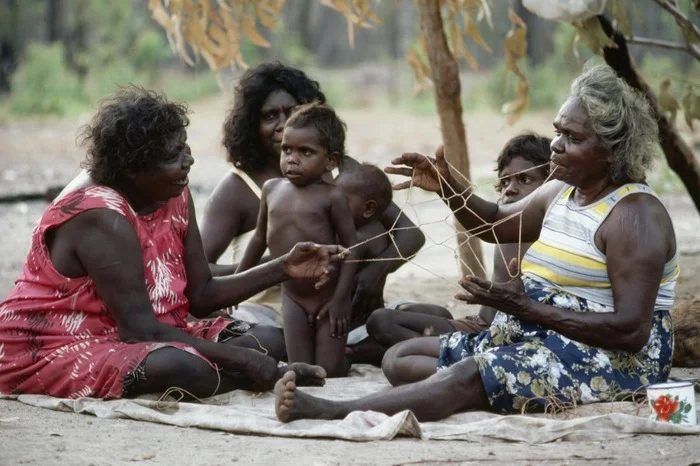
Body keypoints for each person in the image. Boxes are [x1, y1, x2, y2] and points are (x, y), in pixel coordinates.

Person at [272, 63, 678, 422]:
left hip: (616, 360)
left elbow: (630, 332)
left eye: (571, 138)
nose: (555, 145)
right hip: (544, 334)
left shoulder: (634, 216)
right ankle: (492, 385)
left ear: (610, 150)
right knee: (400, 358)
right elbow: (495, 223)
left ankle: (332, 411)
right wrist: (447, 187)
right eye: (557, 132)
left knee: (467, 374)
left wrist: (526, 309)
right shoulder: (561, 192)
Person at [0, 87, 347, 400]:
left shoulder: (172, 193)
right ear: (134, 169)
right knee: (182, 367)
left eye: (184, 148)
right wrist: (245, 361)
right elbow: (139, 330)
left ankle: (250, 372)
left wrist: (284, 267)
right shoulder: (100, 215)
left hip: (156, 330)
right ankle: (253, 377)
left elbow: (203, 294)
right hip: (56, 344)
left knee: (270, 339)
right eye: (171, 156)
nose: (188, 161)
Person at [200, 62, 425, 326]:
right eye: (269, 116)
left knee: (427, 316)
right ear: (251, 125)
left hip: (340, 308)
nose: (283, 125)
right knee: (254, 338)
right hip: (269, 315)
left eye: (293, 112)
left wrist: (377, 270)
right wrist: (275, 264)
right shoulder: (238, 188)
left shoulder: (342, 171)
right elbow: (200, 271)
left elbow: (410, 233)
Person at [349, 133, 552, 366]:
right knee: (395, 318)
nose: (510, 190)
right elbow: (479, 217)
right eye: (505, 182)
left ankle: (440, 356)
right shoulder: (505, 229)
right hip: (478, 326)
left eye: (525, 180)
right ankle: (423, 350)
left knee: (383, 325)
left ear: (551, 188)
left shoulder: (552, 237)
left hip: (506, 337)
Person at [237, 102, 361, 377]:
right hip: (292, 296)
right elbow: (259, 239)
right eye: (286, 149)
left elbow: (353, 249)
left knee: (329, 370)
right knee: (301, 368)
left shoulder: (332, 197)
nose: (292, 159)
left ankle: (345, 358)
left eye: (306, 152)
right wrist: (238, 281)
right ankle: (334, 351)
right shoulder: (271, 189)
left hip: (327, 296)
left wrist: (341, 298)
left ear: (330, 161)